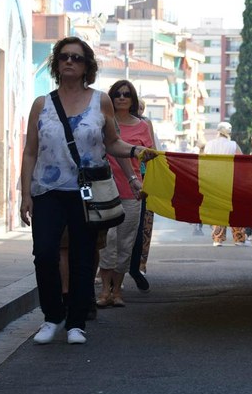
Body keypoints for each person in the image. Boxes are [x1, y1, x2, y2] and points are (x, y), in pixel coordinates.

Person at [20, 36, 155, 345]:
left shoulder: (100, 101)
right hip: (47, 190)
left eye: (77, 58)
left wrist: (136, 152)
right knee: (44, 254)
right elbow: (30, 151)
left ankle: (76, 322)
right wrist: (25, 193)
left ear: (86, 67)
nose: (70, 61)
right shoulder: (42, 104)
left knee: (83, 257)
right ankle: (52, 316)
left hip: (87, 191)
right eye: (64, 57)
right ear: (56, 64)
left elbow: (112, 142)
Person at [96, 80, 152, 308]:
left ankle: (117, 291)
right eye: (117, 94)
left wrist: (145, 185)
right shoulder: (103, 123)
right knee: (106, 242)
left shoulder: (142, 126)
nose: (121, 97)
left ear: (133, 99)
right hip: (104, 190)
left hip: (132, 191)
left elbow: (149, 159)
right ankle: (104, 291)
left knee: (125, 242)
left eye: (126, 94)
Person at [205, 122, 250, 247]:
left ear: (218, 131)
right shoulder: (233, 145)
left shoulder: (209, 145)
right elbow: (243, 162)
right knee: (235, 209)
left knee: (217, 209)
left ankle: (217, 239)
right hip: (231, 181)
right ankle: (239, 238)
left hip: (213, 181)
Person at [129, 98, 158, 284]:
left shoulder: (145, 123)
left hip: (144, 180)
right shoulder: (115, 122)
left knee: (144, 224)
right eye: (137, 107)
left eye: (142, 108)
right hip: (121, 179)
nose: (139, 111)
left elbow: (153, 151)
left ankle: (139, 264)